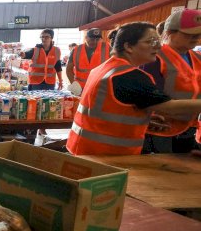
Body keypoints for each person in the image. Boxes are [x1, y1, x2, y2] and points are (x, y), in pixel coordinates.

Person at [67, 22, 201, 155]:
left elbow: (109, 110)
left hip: (86, 149)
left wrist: (141, 120)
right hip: (105, 155)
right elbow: (169, 106)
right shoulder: (129, 76)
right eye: (151, 41)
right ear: (129, 47)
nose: (159, 46)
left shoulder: (105, 68)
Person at [141, 9, 201, 153]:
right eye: (188, 34)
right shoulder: (154, 58)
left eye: (198, 34)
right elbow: (149, 98)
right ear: (169, 32)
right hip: (159, 130)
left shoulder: (197, 58)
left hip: (187, 128)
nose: (195, 38)